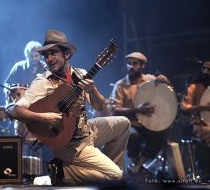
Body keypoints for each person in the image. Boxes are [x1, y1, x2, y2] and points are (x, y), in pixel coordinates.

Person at [10, 30, 130, 186]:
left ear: (66, 54)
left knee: (124, 123)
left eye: (53, 53)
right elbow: (16, 110)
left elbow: (99, 106)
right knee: (117, 176)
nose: (48, 59)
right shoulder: (43, 82)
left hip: (86, 130)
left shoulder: (81, 74)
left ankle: (108, 178)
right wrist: (44, 117)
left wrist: (93, 91)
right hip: (69, 144)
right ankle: (61, 173)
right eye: (46, 55)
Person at [111, 52, 170, 175]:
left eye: (135, 63)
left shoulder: (150, 80)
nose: (131, 66)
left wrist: (165, 80)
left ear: (142, 65)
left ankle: (137, 165)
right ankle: (134, 164)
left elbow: (167, 90)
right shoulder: (120, 85)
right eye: (129, 63)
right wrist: (138, 110)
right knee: (133, 136)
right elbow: (115, 110)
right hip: (131, 124)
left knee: (162, 132)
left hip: (148, 123)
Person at [180, 61, 210, 180]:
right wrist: (202, 107)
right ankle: (205, 172)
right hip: (199, 125)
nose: (206, 72)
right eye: (204, 69)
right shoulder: (194, 87)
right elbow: (184, 107)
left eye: (209, 70)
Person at [4, 41, 47, 105]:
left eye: (36, 56)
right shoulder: (18, 67)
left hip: (39, 104)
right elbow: (7, 84)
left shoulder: (45, 67)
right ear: (27, 55)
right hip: (19, 103)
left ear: (40, 55)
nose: (34, 58)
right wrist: (7, 90)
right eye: (31, 56)